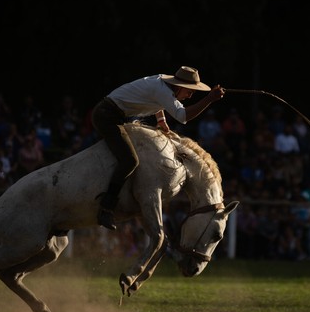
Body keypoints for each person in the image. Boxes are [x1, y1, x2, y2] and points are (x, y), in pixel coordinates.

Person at [92, 66, 225, 230]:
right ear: (179, 86)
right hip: (108, 116)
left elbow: (158, 102)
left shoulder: (162, 84)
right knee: (130, 161)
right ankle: (106, 207)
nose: (191, 95)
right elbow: (183, 116)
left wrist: (161, 120)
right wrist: (209, 99)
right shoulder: (162, 90)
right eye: (189, 90)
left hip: (112, 114)